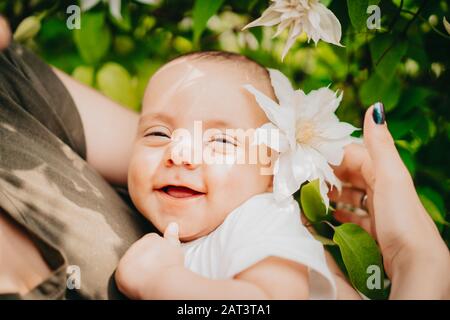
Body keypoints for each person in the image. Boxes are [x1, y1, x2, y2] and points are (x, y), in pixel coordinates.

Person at [0, 16, 448, 299]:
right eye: (157, 132)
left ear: (270, 166)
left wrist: (165, 286)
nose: (181, 152)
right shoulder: (206, 230)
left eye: (221, 142)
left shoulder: (260, 218)